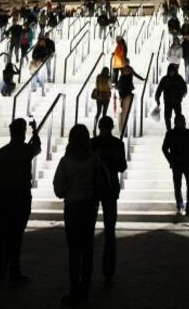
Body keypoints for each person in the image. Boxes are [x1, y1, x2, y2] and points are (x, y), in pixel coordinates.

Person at [53, 124, 103, 305]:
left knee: (74, 251)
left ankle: (74, 289)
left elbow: (58, 188)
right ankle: (86, 289)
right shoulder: (94, 160)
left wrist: (67, 191)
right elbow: (98, 183)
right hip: (89, 207)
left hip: (73, 207)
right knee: (87, 249)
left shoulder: (66, 161)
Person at [0, 118, 41, 284]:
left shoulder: (3, 151)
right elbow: (37, 148)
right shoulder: (25, 150)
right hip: (21, 196)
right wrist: (35, 130)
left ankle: (1, 271)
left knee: (4, 235)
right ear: (23, 132)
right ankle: (14, 271)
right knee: (16, 236)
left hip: (5, 197)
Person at [90, 116, 126, 281]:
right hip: (105, 189)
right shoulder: (116, 144)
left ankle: (103, 268)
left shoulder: (94, 143)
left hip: (97, 189)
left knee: (105, 230)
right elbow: (122, 166)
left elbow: (122, 166)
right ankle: (108, 269)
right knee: (109, 230)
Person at [162, 114, 189, 219]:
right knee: (178, 186)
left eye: (184, 121)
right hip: (177, 164)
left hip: (187, 163)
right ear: (176, 122)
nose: (184, 123)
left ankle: (188, 209)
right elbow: (164, 148)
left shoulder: (188, 132)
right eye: (182, 121)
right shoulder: (170, 133)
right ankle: (180, 207)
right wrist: (171, 161)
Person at [114, 59, 145, 136]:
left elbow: (135, 74)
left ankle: (123, 128)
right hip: (124, 88)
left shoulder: (125, 69)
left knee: (124, 108)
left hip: (126, 88)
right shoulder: (123, 69)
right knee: (123, 108)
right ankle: (123, 128)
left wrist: (142, 78)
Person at [154, 63, 187, 131]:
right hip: (168, 102)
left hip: (177, 101)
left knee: (178, 117)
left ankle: (178, 129)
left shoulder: (179, 78)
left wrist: (183, 93)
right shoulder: (165, 79)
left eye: (173, 71)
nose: (171, 73)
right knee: (167, 117)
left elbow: (184, 86)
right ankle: (169, 130)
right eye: (170, 71)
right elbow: (159, 89)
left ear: (175, 71)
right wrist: (157, 98)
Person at [92, 67, 112, 133]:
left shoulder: (98, 77)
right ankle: (103, 129)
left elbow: (97, 85)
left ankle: (94, 128)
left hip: (99, 96)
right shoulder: (108, 78)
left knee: (98, 112)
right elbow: (110, 87)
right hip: (106, 97)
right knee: (104, 113)